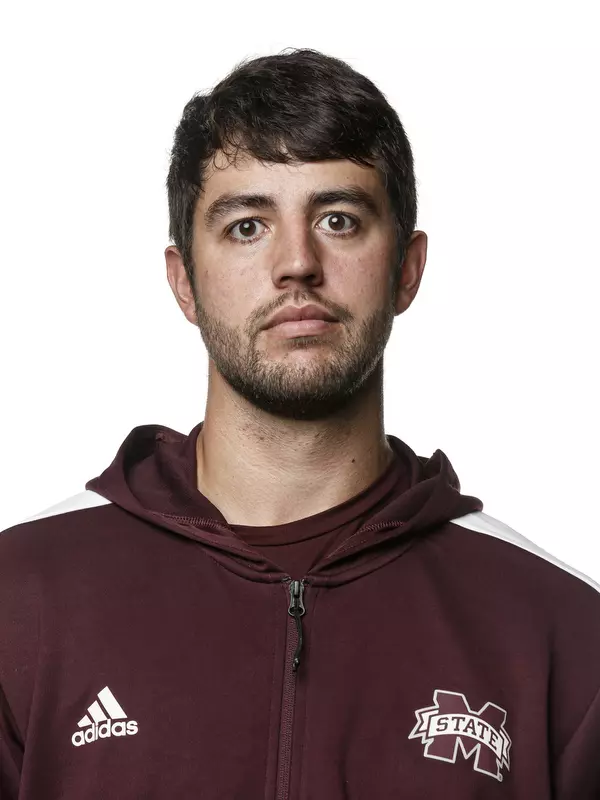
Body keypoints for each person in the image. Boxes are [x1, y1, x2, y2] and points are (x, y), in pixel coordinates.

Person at [1, 47, 599, 800]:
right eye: (247, 225)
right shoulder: (20, 602)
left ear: (406, 270)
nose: (296, 264)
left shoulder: (559, 636)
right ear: (184, 280)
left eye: (340, 220)